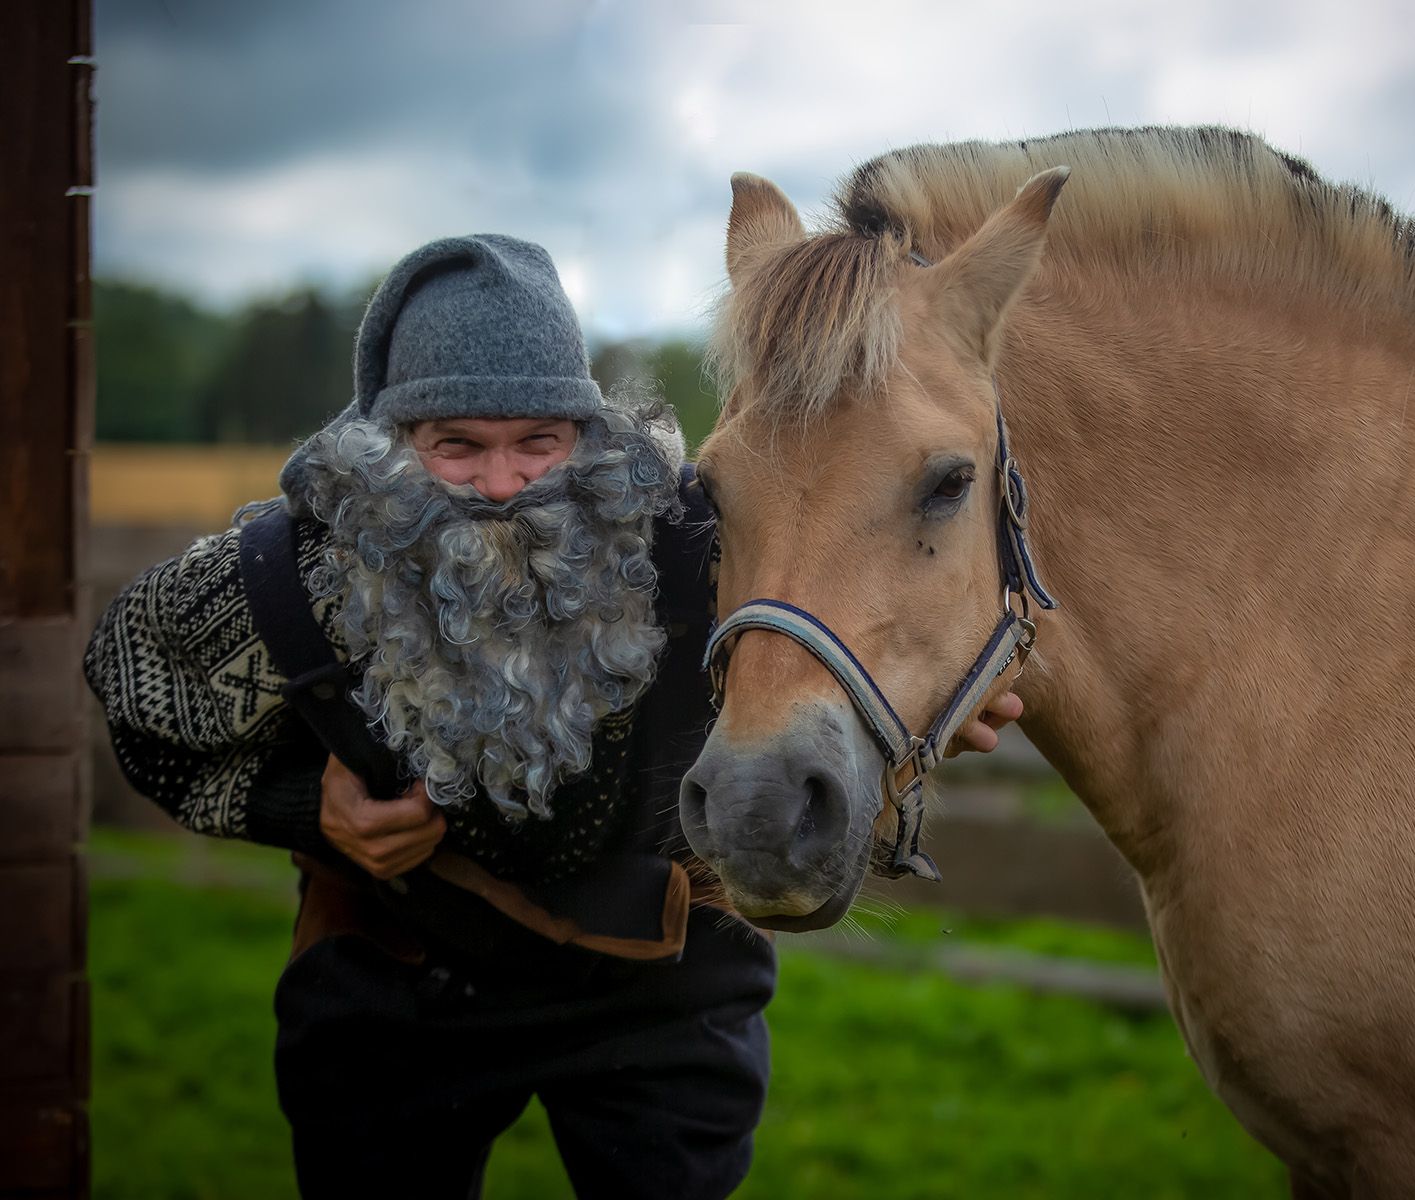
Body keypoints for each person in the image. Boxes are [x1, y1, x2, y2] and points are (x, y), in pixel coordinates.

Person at [84, 234, 1022, 1199]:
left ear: (585, 429)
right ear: (391, 441)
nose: (503, 484)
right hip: (400, 988)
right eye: (458, 445)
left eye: (538, 441)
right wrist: (302, 812)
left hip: (660, 992)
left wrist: (924, 699)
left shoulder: (701, 533)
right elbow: (134, 695)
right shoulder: (301, 574)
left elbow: (843, 591)